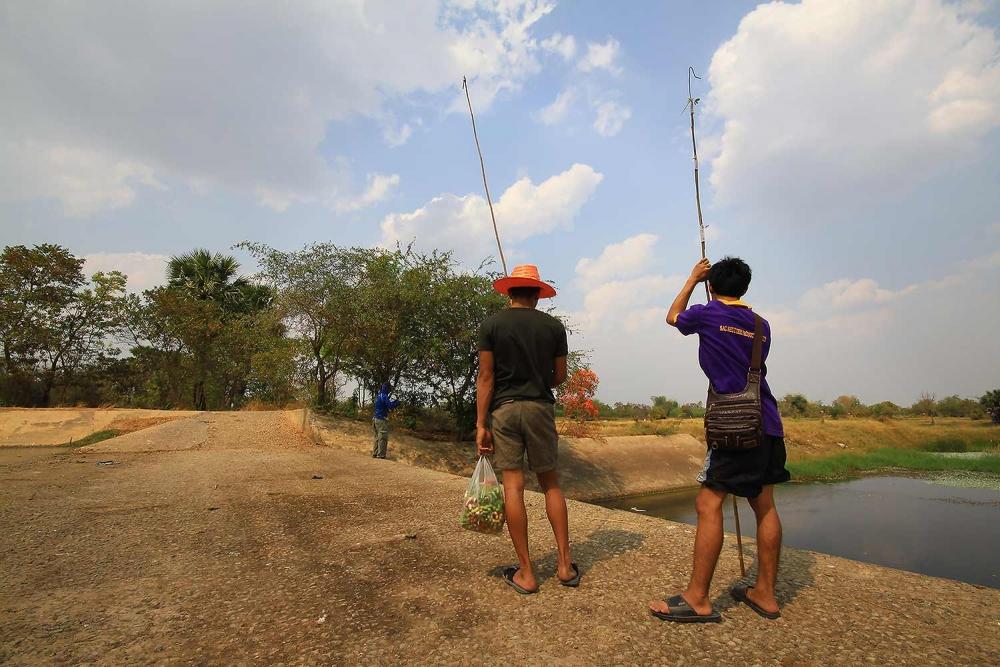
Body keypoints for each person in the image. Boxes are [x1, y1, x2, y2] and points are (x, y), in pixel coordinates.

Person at [650, 256, 790, 623]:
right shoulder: (762, 325)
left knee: (708, 504)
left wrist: (692, 279)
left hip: (734, 426)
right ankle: (766, 594)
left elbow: (672, 316)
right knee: (765, 506)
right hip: (768, 422)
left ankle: (698, 598)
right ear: (745, 288)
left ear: (712, 286)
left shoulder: (708, 313)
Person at [476, 264, 578, 594]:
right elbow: (560, 376)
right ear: (537, 294)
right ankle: (564, 566)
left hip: (504, 411)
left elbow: (486, 378)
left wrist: (481, 424)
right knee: (550, 484)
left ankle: (527, 572)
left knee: (513, 487)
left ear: (509, 292)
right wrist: (538, 382)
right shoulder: (554, 327)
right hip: (539, 409)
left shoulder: (491, 324)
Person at [372, 382, 400, 459]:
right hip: (381, 420)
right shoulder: (384, 396)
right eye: (389, 388)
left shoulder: (379, 395)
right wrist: (397, 403)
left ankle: (375, 453)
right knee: (383, 437)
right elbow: (390, 406)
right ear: (387, 388)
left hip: (375, 419)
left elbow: (386, 405)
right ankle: (381, 455)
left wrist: (393, 403)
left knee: (377, 437)